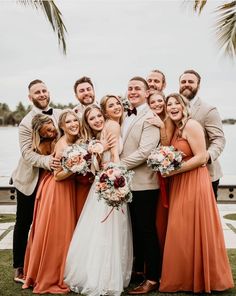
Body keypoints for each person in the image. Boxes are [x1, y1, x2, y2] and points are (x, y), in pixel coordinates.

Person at [159, 93, 234, 293]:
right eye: (169, 104)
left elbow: (201, 157)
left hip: (194, 181)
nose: (173, 107)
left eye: (177, 103)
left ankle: (203, 279)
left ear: (184, 106)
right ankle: (184, 278)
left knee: (194, 227)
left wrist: (173, 170)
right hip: (181, 181)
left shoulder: (192, 125)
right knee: (181, 230)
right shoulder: (175, 128)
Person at [64, 102, 133, 296]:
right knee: (101, 230)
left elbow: (114, 155)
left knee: (113, 231)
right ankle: (98, 276)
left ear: (103, 115)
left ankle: (110, 275)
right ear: (87, 122)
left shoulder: (111, 126)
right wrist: (95, 152)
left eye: (98, 116)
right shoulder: (93, 139)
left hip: (112, 181)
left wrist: (117, 177)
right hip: (103, 184)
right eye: (91, 118)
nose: (96, 120)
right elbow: (98, 165)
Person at [23, 110, 81, 294]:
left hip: (57, 186)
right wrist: (76, 165)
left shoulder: (62, 140)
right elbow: (58, 175)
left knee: (58, 230)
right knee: (58, 232)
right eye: (47, 131)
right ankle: (53, 274)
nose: (52, 133)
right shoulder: (59, 145)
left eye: (52, 129)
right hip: (58, 188)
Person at [11, 79, 61, 283]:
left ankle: (47, 263)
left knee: (50, 222)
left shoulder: (59, 115)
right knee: (24, 221)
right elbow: (27, 154)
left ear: (48, 93)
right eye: (36, 92)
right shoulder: (25, 123)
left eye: (44, 90)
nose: (41, 94)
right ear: (30, 97)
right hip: (30, 178)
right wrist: (51, 161)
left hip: (54, 179)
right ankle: (19, 267)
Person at [120, 77, 161, 294]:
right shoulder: (125, 115)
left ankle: (153, 278)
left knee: (146, 231)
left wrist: (117, 166)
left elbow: (145, 152)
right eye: (130, 88)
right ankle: (138, 272)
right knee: (134, 231)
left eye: (137, 88)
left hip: (145, 184)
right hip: (128, 184)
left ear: (147, 93)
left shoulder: (150, 117)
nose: (133, 91)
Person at [179, 69, 225, 199]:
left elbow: (219, 139)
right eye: (183, 81)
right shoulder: (172, 108)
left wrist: (207, 156)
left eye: (191, 82)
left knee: (205, 216)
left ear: (198, 85)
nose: (186, 84)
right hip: (180, 175)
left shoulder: (208, 110)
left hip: (206, 173)